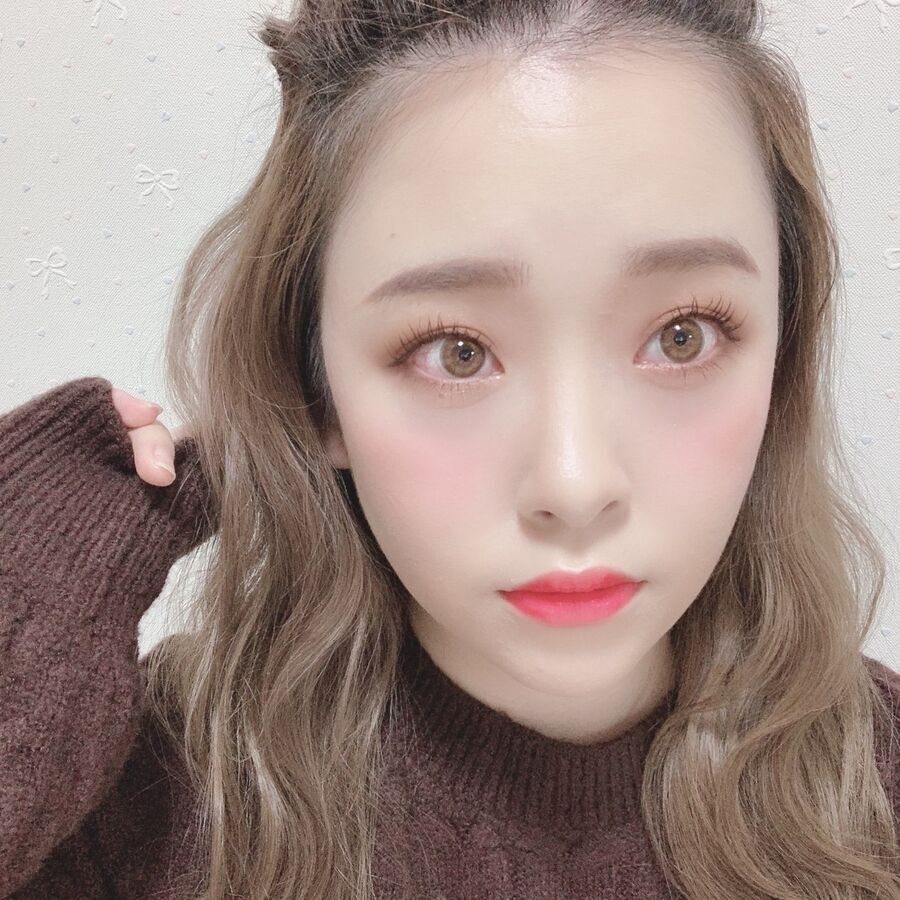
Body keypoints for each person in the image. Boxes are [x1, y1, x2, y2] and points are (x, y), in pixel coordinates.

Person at [2, 1, 899, 898]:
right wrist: (32, 573)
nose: (575, 485)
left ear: (782, 358)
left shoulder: (881, 784)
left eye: (682, 336)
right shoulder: (146, 804)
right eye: (456, 352)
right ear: (316, 392)